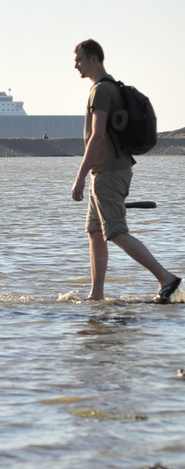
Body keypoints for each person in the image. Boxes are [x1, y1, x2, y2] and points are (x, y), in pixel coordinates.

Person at [70, 39, 179, 302]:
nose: (76, 65)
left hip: (108, 172)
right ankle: (96, 295)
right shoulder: (110, 88)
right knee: (95, 233)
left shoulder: (100, 92)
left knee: (115, 231)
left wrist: (80, 177)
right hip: (108, 170)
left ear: (94, 59)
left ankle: (165, 277)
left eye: (79, 59)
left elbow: (96, 137)